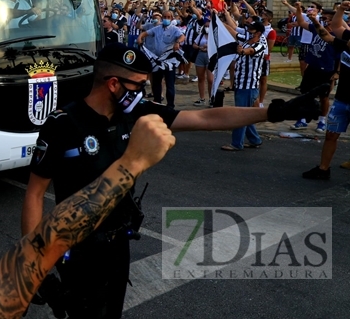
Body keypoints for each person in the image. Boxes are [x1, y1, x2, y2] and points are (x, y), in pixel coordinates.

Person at [21, 42, 321, 319]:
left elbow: (205, 119)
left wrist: (271, 112)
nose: (143, 93)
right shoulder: (63, 124)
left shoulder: (136, 113)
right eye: (137, 85)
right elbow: (35, 195)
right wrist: (33, 269)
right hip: (78, 251)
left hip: (118, 245)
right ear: (113, 84)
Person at [302, 1, 350, 180]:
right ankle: (323, 169)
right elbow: (330, 32)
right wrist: (340, 10)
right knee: (331, 135)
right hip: (342, 99)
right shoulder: (345, 43)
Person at [289, 3, 338, 133]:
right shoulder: (317, 28)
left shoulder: (337, 35)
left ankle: (322, 121)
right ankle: (303, 119)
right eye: (324, 17)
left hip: (327, 69)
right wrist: (299, 10)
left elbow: (341, 56)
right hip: (313, 66)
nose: (324, 19)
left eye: (327, 18)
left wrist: (337, 72)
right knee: (305, 93)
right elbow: (301, 22)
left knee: (324, 97)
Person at [220, 20, 266, 151]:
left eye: (251, 29)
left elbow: (250, 51)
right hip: (241, 85)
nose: (248, 30)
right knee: (246, 114)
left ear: (258, 32)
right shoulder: (246, 40)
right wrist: (218, 20)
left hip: (248, 86)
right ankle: (254, 139)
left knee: (239, 115)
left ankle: (236, 143)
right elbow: (232, 31)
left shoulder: (261, 44)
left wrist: (242, 51)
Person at [137, 9, 184, 109]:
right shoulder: (157, 28)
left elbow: (182, 36)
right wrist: (140, 38)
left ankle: (170, 105)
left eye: (168, 17)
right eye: (165, 17)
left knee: (169, 83)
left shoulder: (174, 29)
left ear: (171, 19)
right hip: (157, 59)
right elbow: (145, 33)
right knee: (156, 83)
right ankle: (157, 102)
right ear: (162, 18)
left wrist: (178, 42)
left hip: (169, 60)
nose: (166, 19)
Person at [192, 17, 213, 106]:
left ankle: (212, 98)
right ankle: (202, 98)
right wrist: (200, 47)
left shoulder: (214, 36)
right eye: (206, 26)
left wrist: (209, 47)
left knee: (210, 79)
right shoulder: (200, 35)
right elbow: (194, 44)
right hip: (200, 55)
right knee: (201, 78)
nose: (207, 27)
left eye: (209, 26)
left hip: (210, 56)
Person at [256, 10, 276, 107]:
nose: (261, 16)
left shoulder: (271, 31)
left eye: (263, 15)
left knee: (263, 79)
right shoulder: (256, 27)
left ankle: (261, 101)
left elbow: (270, 48)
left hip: (264, 58)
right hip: (254, 56)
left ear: (267, 17)